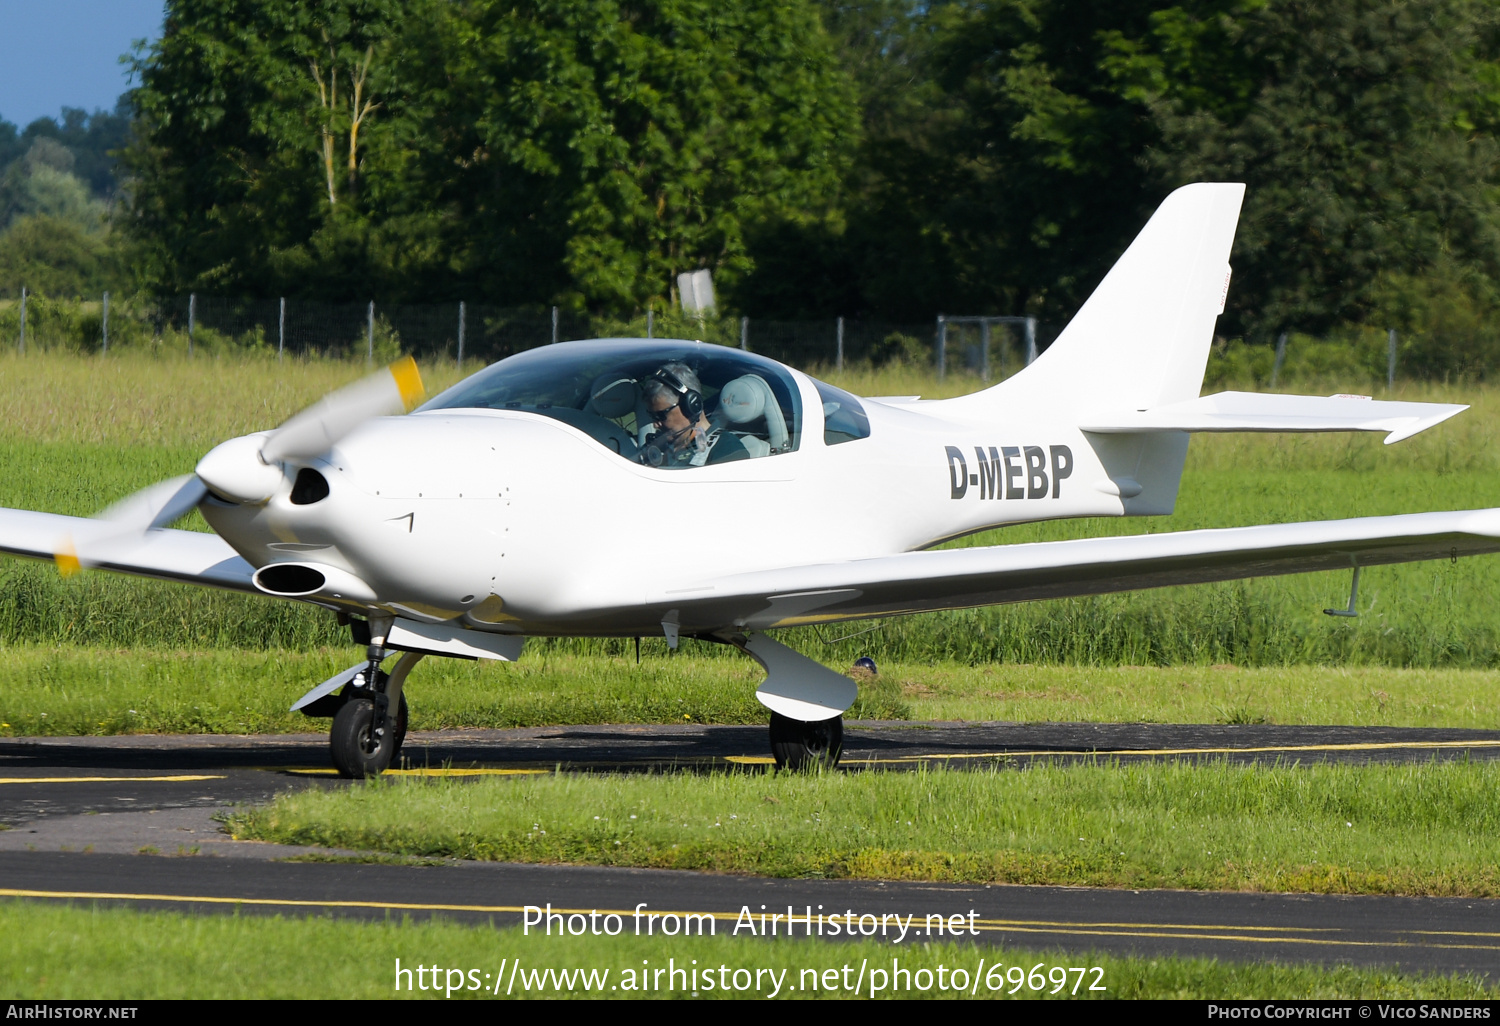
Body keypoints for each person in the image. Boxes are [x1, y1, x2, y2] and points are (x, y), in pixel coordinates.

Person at [638, 362, 749, 468]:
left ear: (691, 406)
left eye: (661, 415)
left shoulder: (727, 450)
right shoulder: (660, 447)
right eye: (652, 416)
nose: (655, 425)